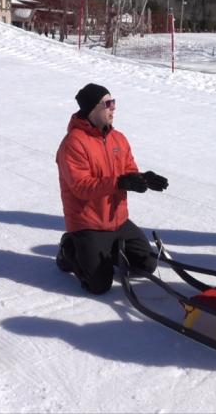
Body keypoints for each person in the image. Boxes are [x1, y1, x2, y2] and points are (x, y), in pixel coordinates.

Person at [55, 84, 169, 295]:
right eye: (108, 103)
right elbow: (81, 187)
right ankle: (69, 249)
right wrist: (121, 182)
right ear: (91, 108)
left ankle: (107, 250)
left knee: (145, 265)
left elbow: (128, 171)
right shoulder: (73, 144)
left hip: (118, 219)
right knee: (99, 285)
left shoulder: (118, 138)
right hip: (88, 222)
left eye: (113, 102)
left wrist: (144, 179)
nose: (113, 108)